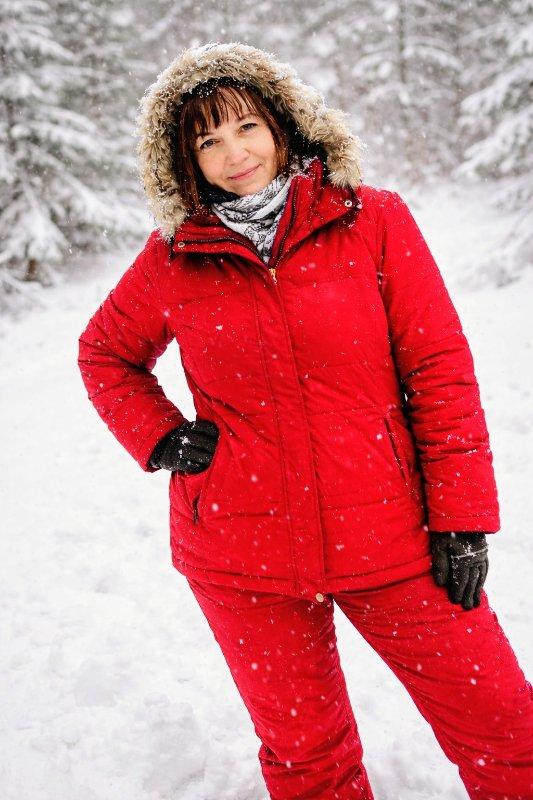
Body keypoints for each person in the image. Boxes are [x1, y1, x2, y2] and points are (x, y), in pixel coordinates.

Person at [77, 42, 533, 799]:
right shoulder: (173, 257)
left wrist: (462, 518)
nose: (234, 155)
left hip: (391, 535)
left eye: (246, 127)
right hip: (242, 553)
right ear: (184, 161)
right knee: (308, 762)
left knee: (506, 730)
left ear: (283, 124)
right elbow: (104, 353)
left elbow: (438, 370)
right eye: (207, 141)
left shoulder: (372, 219)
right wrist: (159, 434)